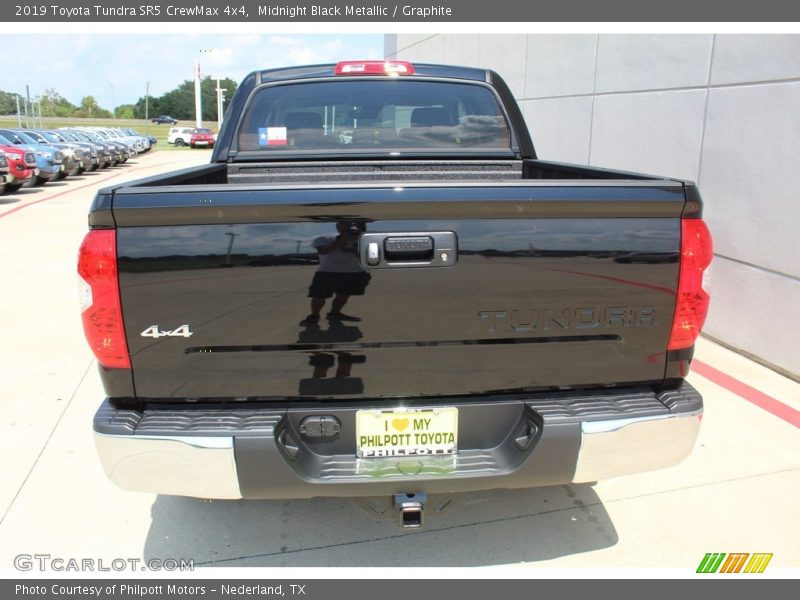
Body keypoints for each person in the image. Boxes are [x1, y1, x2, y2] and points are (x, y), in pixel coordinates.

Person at [299, 221, 371, 325]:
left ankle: (334, 313)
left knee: (344, 295)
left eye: (352, 225)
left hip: (354, 272)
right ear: (338, 226)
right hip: (328, 272)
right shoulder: (324, 238)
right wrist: (342, 240)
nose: (350, 227)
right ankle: (314, 315)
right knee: (319, 296)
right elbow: (323, 251)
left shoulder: (362, 239)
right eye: (345, 224)